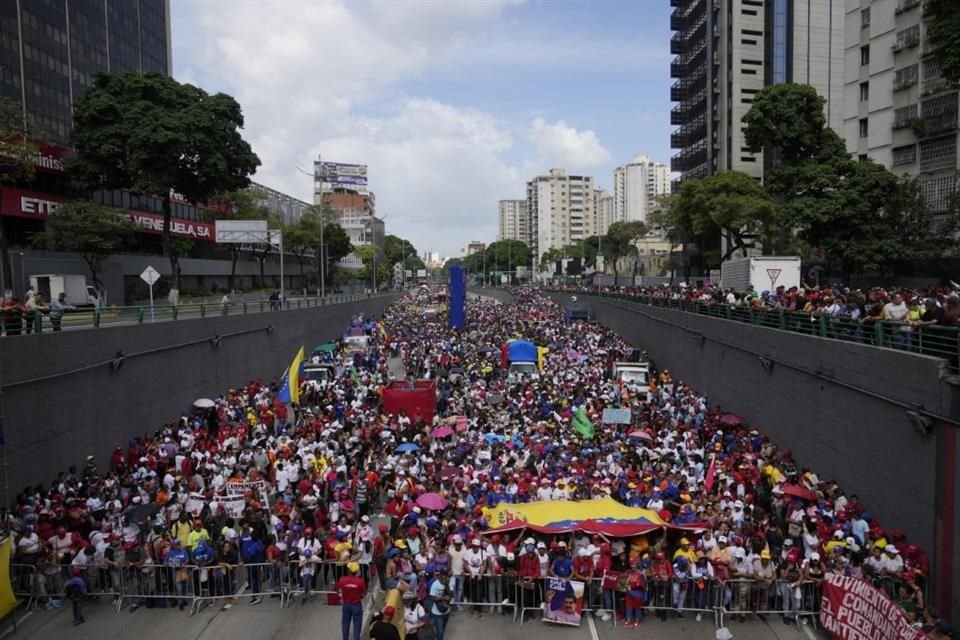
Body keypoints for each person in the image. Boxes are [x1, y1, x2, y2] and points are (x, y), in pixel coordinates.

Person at [336, 561, 366, 640]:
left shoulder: (342, 579)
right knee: (357, 624)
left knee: (345, 623)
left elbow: (338, 590)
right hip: (356, 604)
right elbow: (364, 593)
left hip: (346, 604)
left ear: (349, 570)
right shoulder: (360, 581)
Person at [430, 571, 452, 640]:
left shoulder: (448, 583)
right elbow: (432, 598)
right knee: (440, 631)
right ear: (439, 575)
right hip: (437, 613)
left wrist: (447, 586)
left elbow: (451, 595)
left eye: (445, 575)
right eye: (443, 575)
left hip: (446, 611)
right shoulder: (435, 584)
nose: (444, 577)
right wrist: (443, 598)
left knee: (442, 631)